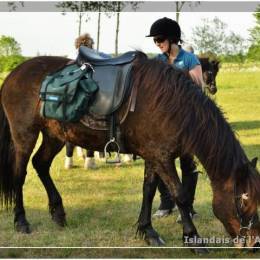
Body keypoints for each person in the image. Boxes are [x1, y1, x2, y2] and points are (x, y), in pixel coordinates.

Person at [146, 17, 204, 220]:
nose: (157, 44)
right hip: (163, 122)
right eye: (155, 40)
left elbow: (199, 89)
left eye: (160, 39)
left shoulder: (189, 60)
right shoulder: (157, 61)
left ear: (173, 39)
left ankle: (187, 207)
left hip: (187, 121)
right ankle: (166, 203)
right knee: (161, 161)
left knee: (188, 165)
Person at [64, 33, 109, 170]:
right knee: (91, 129)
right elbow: (109, 59)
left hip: (73, 99)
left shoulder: (70, 58)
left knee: (71, 130)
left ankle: (68, 161)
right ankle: (89, 161)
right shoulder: (97, 56)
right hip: (92, 98)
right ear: (91, 45)